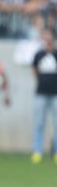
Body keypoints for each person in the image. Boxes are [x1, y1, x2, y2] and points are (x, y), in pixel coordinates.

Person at [31, 29, 57, 165]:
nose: (47, 39)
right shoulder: (38, 55)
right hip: (41, 93)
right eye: (44, 36)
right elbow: (35, 70)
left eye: (49, 36)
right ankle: (37, 151)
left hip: (55, 94)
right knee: (39, 123)